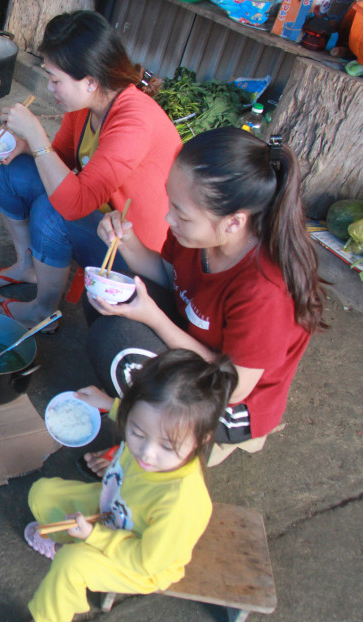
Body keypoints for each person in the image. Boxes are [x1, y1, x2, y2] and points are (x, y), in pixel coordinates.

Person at [83, 128, 325, 471]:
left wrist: (153, 318)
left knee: (116, 340)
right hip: (195, 340)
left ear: (233, 223)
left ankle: (155, 450)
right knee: (104, 293)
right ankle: (146, 420)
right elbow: (169, 275)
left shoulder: (265, 289)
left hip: (232, 403)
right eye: (171, 203)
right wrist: (127, 243)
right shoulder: (197, 235)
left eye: (181, 214)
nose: (169, 219)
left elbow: (233, 385)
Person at [0, 349, 238, 622]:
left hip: (142, 560)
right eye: (137, 432)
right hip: (113, 509)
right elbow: (148, 419)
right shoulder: (157, 429)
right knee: (42, 494)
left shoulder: (182, 503)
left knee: (71, 563)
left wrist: (94, 536)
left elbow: (145, 561)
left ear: (201, 439)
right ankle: (73, 539)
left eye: (167, 446)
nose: (146, 453)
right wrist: (110, 405)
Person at [0, 10, 182, 329]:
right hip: (104, 222)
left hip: (140, 257)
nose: (50, 88)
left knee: (53, 211)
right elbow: (58, 157)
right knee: (10, 168)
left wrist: (34, 134)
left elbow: (74, 204)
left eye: (56, 79)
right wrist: (23, 145)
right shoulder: (86, 105)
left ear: (90, 81)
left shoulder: (134, 120)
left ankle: (42, 312)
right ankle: (26, 266)